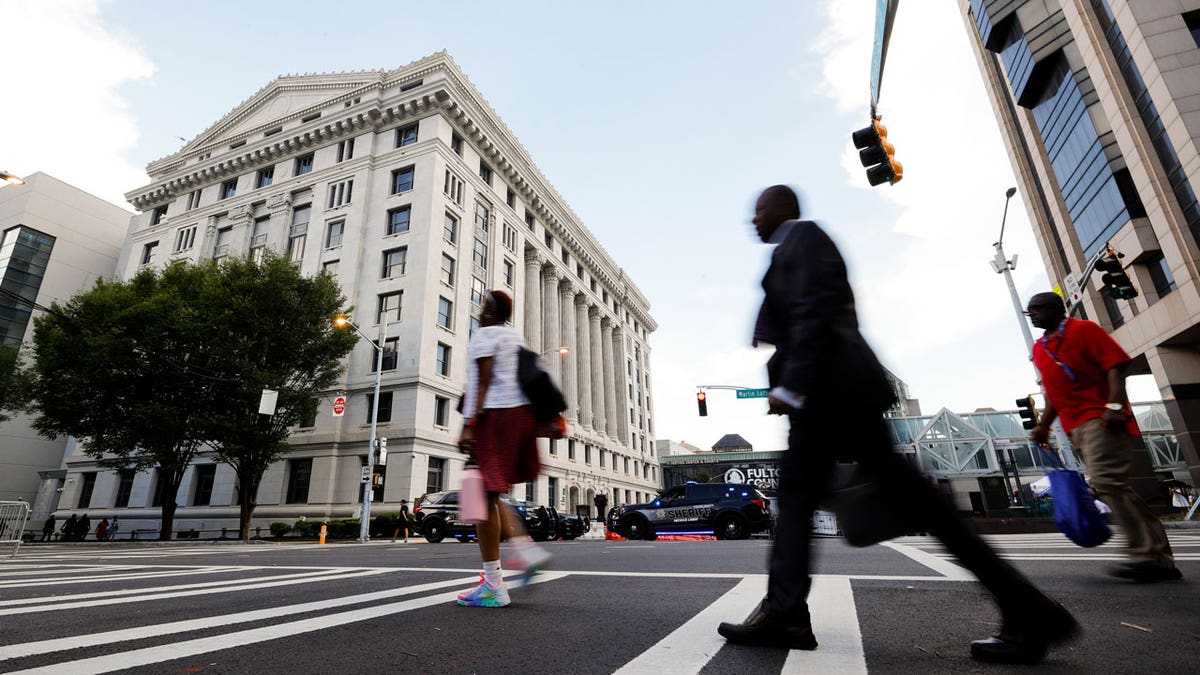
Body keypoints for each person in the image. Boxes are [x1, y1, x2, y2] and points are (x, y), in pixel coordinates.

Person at [717, 185, 1077, 664]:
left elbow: (814, 312)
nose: (753, 221)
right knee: (874, 502)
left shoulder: (803, 239)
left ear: (782, 209)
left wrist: (791, 385)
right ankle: (1026, 608)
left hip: (831, 395)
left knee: (821, 499)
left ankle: (785, 611)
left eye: (759, 211)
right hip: (835, 397)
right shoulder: (796, 245)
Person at [1026, 292, 1182, 582]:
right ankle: (1158, 558)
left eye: (1036, 310)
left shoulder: (1084, 330)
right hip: (1075, 429)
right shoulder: (1039, 348)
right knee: (1114, 487)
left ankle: (1145, 557)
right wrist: (1044, 425)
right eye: (1029, 313)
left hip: (1100, 418)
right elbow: (1054, 393)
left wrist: (1113, 406)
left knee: (1108, 482)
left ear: (1057, 308)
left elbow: (1116, 365)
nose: (1032, 315)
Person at [456, 289, 552, 608]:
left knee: (479, 497)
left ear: (491, 310)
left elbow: (482, 382)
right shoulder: (516, 338)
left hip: (495, 416)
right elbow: (532, 378)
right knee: (489, 493)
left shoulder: (485, 335)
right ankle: (525, 554)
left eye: (484, 304)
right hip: (519, 418)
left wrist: (469, 423)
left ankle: (494, 585)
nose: (480, 309)